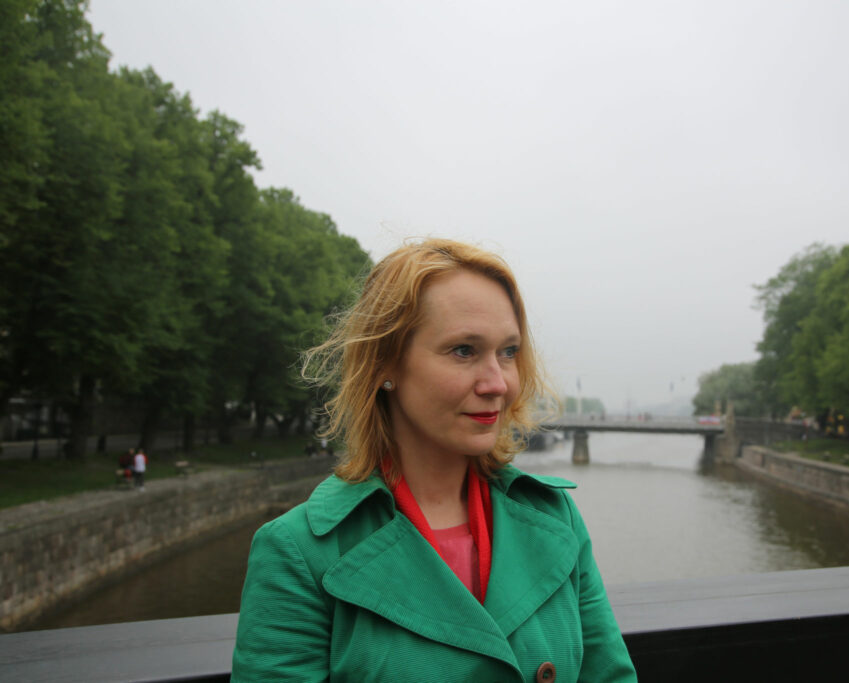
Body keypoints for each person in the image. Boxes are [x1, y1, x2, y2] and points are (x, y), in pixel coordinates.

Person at [232, 239, 636, 681]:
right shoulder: (298, 553)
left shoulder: (556, 517)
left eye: (508, 352)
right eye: (464, 350)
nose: (498, 383)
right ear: (385, 364)